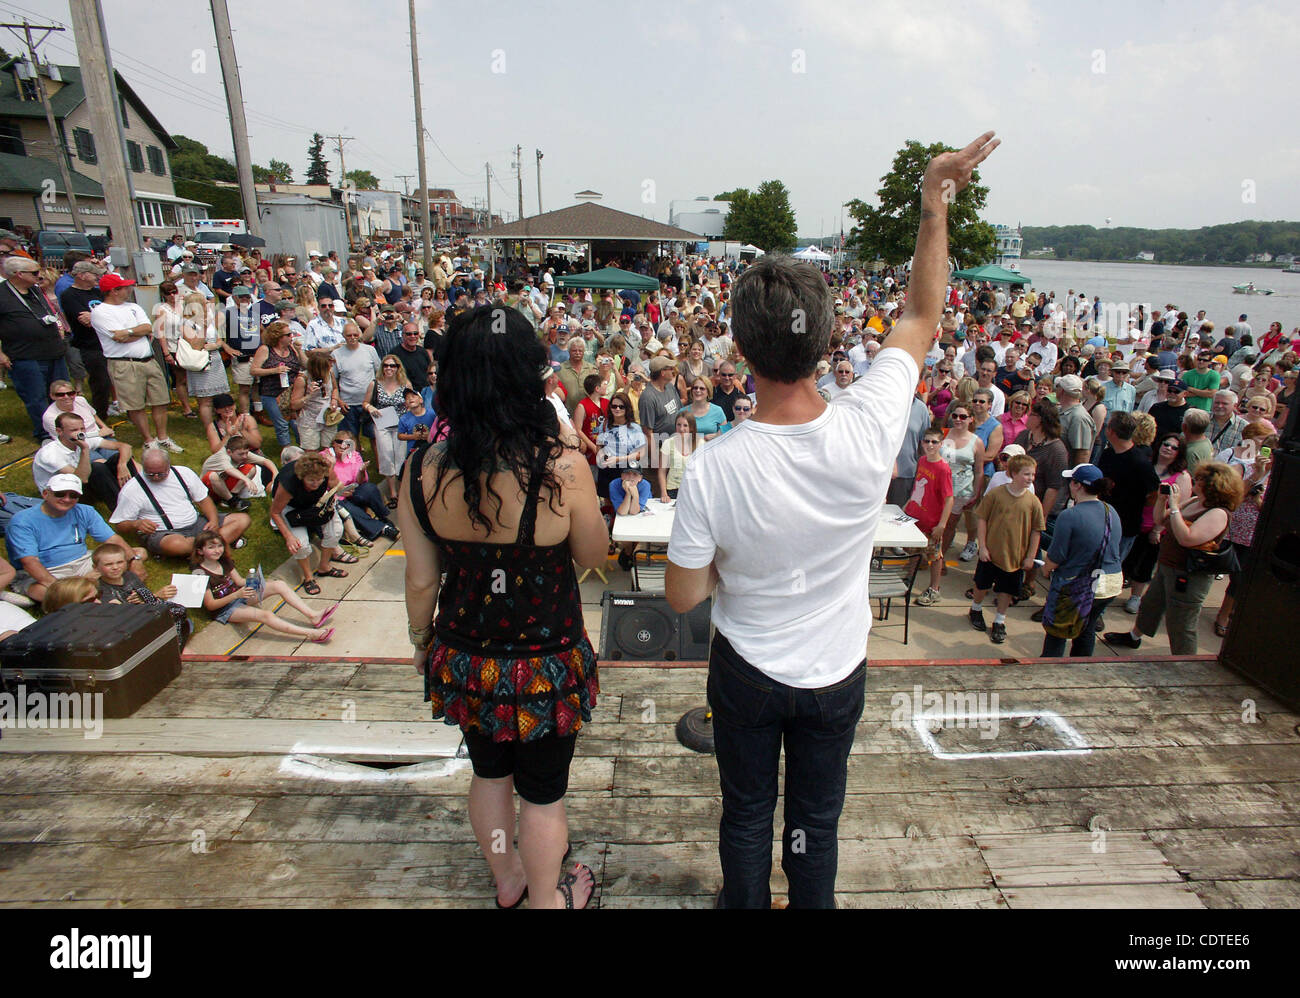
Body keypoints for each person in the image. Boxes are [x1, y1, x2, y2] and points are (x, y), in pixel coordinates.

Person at [665, 132, 1000, 908]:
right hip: (837, 670)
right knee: (817, 818)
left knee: (747, 812)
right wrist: (932, 202)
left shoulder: (715, 465)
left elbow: (683, 598)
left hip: (747, 667)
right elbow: (922, 312)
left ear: (741, 348)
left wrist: (732, 565)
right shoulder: (872, 418)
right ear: (824, 343)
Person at [396, 303, 606, 910]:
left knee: (489, 775)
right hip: (546, 661)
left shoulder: (421, 470)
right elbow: (593, 554)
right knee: (543, 795)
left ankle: (509, 880)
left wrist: (419, 643)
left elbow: (420, 578)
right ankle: (547, 898)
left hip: (465, 656)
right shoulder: (560, 467)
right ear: (530, 377)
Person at [1106, 461, 1244, 655]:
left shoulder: (1218, 513)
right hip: (1167, 565)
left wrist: (1176, 507)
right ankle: (1135, 636)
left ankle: (1185, 662)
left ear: (1212, 485)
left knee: (1181, 622)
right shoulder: (1196, 502)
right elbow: (1160, 520)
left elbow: (1187, 538)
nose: (1196, 480)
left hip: (1188, 576)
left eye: (1201, 479)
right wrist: (1163, 501)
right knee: (1150, 605)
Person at [6, 474, 145, 604]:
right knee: (43, 591)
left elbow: (113, 540)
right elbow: (30, 562)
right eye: (60, 494)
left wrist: (134, 560)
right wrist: (60, 588)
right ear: (45, 494)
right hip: (47, 569)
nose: (66, 499)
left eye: (73, 495)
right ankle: (84, 589)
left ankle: (86, 585)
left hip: (83, 561)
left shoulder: (85, 511)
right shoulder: (22, 521)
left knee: (138, 552)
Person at [191, 530, 335, 642]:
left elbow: (240, 581)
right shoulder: (198, 573)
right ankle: (311, 634)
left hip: (240, 596)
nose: (217, 550)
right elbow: (210, 605)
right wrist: (236, 595)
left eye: (220, 546)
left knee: (279, 585)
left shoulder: (223, 561)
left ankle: (313, 615)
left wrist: (254, 580)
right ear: (199, 551)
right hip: (225, 609)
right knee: (265, 615)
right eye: (211, 547)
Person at [92, 273, 181, 453]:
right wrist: (136, 332)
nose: (129, 289)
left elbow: (149, 328)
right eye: (125, 287)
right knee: (135, 405)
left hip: (148, 359)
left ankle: (163, 437)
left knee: (160, 400)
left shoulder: (134, 307)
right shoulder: (100, 311)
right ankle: (149, 440)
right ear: (114, 291)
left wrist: (130, 332)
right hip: (124, 363)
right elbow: (118, 338)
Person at [1039, 465, 1123, 657]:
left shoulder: (1069, 516)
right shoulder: (1111, 511)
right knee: (1087, 627)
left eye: (1071, 481)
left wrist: (1046, 570)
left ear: (1077, 485)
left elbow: (1056, 557)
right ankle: (1080, 666)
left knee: (1057, 631)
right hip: (1109, 585)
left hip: (1077, 585)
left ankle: (1048, 669)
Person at [111, 445, 250, 558]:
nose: (156, 477)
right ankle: (217, 545)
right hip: (165, 533)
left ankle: (203, 549)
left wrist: (213, 520)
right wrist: (136, 523)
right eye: (150, 474)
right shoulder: (132, 489)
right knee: (176, 545)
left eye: (161, 473)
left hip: (196, 523)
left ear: (169, 465)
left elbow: (204, 500)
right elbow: (120, 524)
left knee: (242, 519)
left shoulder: (184, 473)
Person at [967, 453, 1044, 644]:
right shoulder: (996, 494)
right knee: (981, 584)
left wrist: (1030, 557)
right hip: (991, 554)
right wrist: (982, 546)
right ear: (1013, 474)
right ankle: (975, 608)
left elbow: (1036, 531)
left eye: (1033, 475)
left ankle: (1000, 620)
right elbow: (982, 519)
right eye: (1026, 474)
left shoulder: (1033, 502)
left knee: (1006, 590)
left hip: (1015, 557)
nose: (1030, 479)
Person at [0, 256, 70, 441]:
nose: (39, 276)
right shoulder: (2, 294)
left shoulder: (36, 291)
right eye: (34, 273)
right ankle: (45, 433)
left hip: (53, 350)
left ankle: (66, 427)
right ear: (18, 274)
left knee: (61, 391)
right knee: (36, 396)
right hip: (25, 355)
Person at [270, 450, 355, 596]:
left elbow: (336, 484)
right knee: (300, 544)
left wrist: (344, 490)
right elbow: (275, 512)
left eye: (320, 479)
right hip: (291, 506)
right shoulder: (288, 483)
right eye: (311, 480)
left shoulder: (326, 470)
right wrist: (288, 536)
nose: (316, 483)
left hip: (317, 500)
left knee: (335, 530)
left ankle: (324, 567)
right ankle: (308, 577)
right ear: (302, 477)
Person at [1213, 442, 1273, 636]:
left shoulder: (1280, 479)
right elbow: (1232, 497)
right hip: (1230, 529)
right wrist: (1256, 476)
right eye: (1267, 451)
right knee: (1210, 566)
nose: (1270, 458)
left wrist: (1258, 501)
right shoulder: (1244, 468)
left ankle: (1225, 614)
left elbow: (1273, 512)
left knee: (1239, 579)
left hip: (1252, 536)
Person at [92, 544, 191, 650]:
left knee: (184, 620)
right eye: (108, 564)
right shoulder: (102, 589)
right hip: (130, 626)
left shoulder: (130, 576)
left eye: (120, 562)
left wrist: (151, 598)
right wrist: (156, 595)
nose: (115, 567)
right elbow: (121, 614)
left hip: (146, 614)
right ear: (96, 568)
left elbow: (146, 597)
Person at [33, 410, 135, 510]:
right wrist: (85, 449)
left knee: (118, 458)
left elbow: (125, 447)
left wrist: (122, 465)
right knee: (97, 468)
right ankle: (121, 509)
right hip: (62, 494)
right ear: (59, 431)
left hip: (80, 484)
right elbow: (81, 479)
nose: (80, 433)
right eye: (74, 430)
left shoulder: (83, 437)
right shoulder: (49, 454)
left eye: (82, 428)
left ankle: (137, 495)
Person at [320, 431, 398, 544]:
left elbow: (361, 481)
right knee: (347, 507)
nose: (343, 446)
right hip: (335, 495)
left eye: (347, 443)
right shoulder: (324, 457)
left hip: (352, 491)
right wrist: (331, 468)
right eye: (339, 442)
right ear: (333, 443)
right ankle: (382, 528)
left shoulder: (354, 455)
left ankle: (383, 517)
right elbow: (323, 482)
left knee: (370, 489)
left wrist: (362, 471)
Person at [907, 428, 955, 607]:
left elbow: (949, 498)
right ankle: (908, 580)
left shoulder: (943, 469)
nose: (930, 445)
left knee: (934, 556)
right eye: (926, 441)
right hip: (915, 516)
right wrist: (908, 504)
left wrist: (942, 524)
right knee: (912, 552)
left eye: (934, 442)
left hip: (932, 521)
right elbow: (917, 487)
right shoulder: (922, 461)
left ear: (941, 444)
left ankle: (934, 589)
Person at [363, 354, 411, 505]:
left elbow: (412, 401)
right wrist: (370, 408)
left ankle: (402, 489)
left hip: (400, 425)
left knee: (400, 456)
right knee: (386, 456)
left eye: (393, 366)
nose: (389, 368)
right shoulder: (375, 384)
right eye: (386, 365)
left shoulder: (405, 384)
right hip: (382, 424)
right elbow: (365, 402)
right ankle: (393, 492)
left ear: (398, 368)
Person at [179, 292, 230, 427]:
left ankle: (224, 424)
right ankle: (210, 429)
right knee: (205, 401)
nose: (208, 304)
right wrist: (205, 327)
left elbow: (219, 339)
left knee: (222, 396)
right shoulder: (187, 323)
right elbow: (195, 345)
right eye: (204, 302)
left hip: (216, 361)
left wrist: (216, 345)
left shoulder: (209, 319)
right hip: (201, 364)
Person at [250, 320, 304, 446]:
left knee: (297, 423)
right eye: (288, 335)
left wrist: (300, 351)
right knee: (282, 424)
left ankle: (303, 448)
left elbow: (304, 365)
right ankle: (287, 451)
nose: (292, 337)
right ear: (279, 337)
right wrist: (275, 370)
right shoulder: (265, 350)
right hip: (271, 394)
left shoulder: (292, 349)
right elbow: (253, 370)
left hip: (291, 393)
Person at [199, 433, 275, 510]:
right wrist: (247, 480)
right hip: (208, 489)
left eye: (246, 453)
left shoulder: (242, 454)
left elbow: (266, 461)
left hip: (222, 484)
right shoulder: (222, 456)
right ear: (229, 452)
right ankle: (232, 501)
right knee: (213, 475)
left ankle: (233, 495)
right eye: (241, 454)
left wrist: (276, 475)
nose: (245, 456)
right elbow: (229, 470)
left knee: (251, 468)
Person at [657, 412, 698, 500]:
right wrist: (664, 493)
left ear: (691, 427)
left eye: (685, 425)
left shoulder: (700, 444)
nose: (681, 428)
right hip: (672, 490)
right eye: (678, 425)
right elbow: (662, 471)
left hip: (693, 490)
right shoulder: (668, 443)